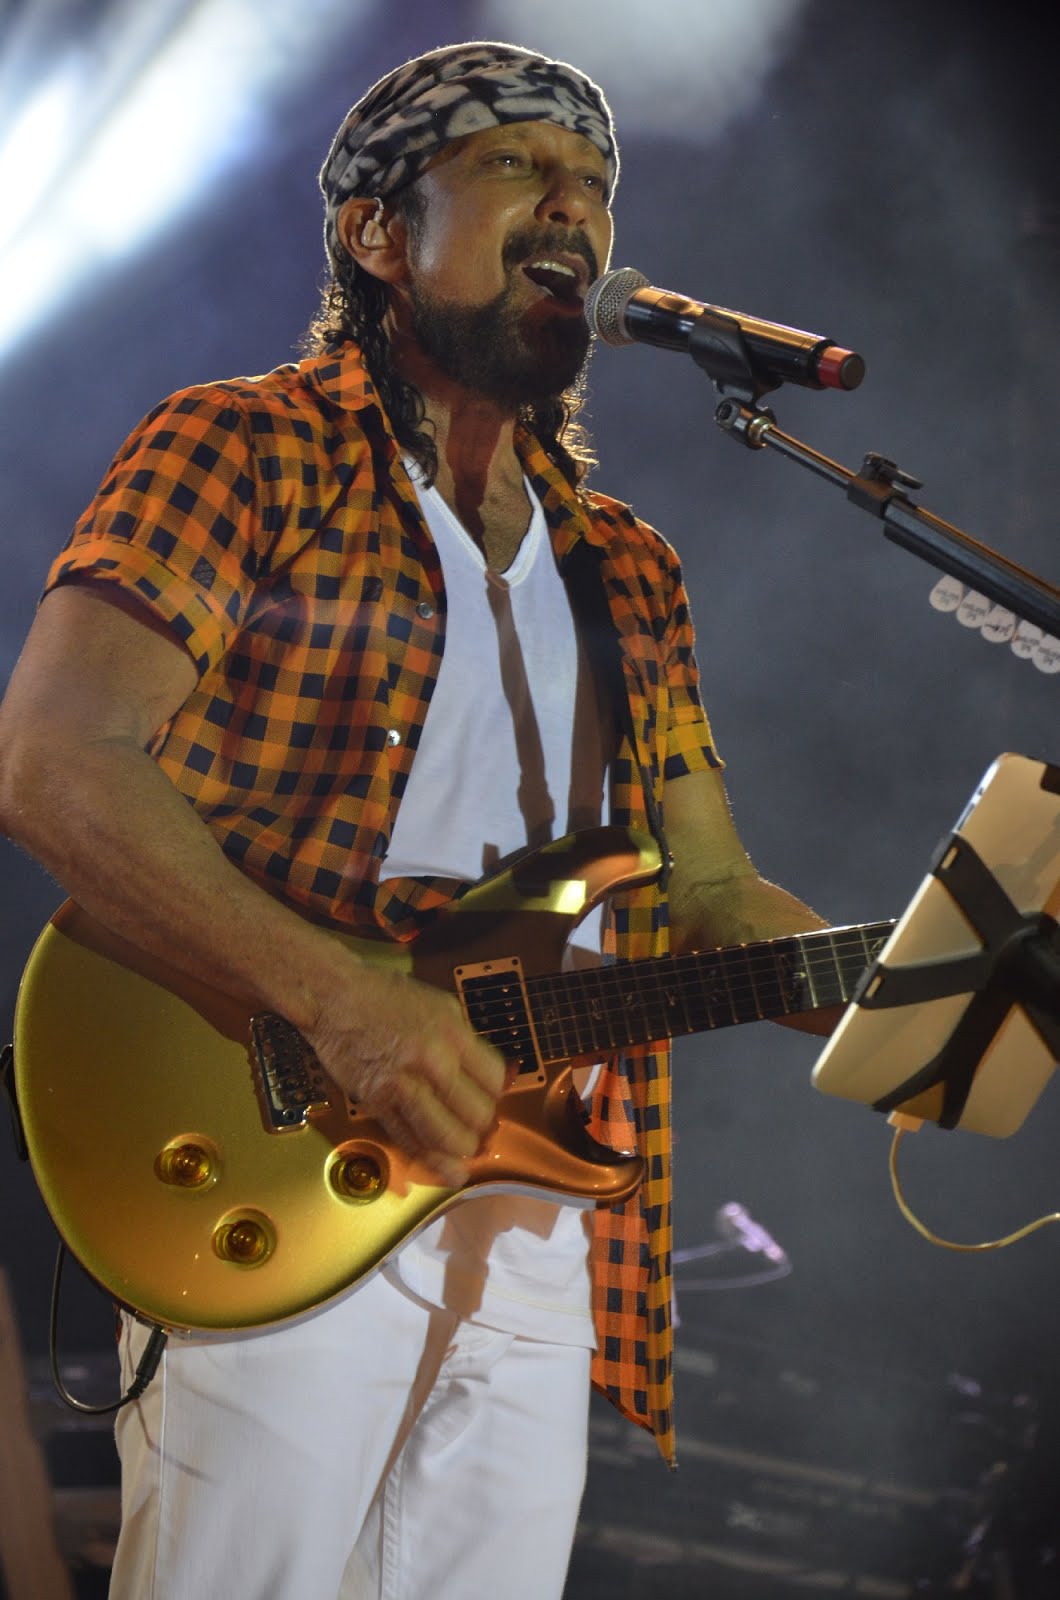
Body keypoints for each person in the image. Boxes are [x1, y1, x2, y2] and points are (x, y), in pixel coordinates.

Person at [0, 40, 836, 1600]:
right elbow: (56, 760)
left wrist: (916, 990)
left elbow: (714, 898)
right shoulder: (246, 448)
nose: (572, 207)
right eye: (517, 166)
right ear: (377, 234)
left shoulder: (629, 568)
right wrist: (342, 1004)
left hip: (536, 1222)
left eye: (593, 181)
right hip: (288, 1150)